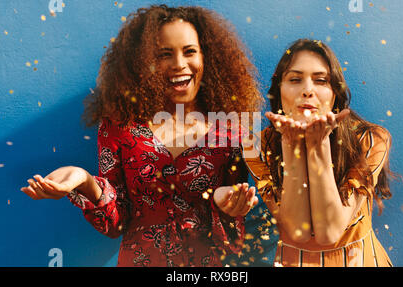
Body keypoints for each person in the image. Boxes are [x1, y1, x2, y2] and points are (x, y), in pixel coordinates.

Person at [20, 5, 261, 267]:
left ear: (208, 57)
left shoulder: (231, 132)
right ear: (143, 64)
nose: (179, 64)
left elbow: (234, 239)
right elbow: (116, 223)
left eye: (189, 51)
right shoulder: (119, 127)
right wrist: (83, 180)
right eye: (164, 54)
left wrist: (226, 208)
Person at [244, 39, 395, 267]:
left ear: (335, 93)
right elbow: (297, 231)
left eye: (321, 81)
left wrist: (318, 146)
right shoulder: (256, 146)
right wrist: (291, 144)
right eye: (295, 79)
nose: (307, 90)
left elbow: (329, 233)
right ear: (279, 92)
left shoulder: (370, 139)